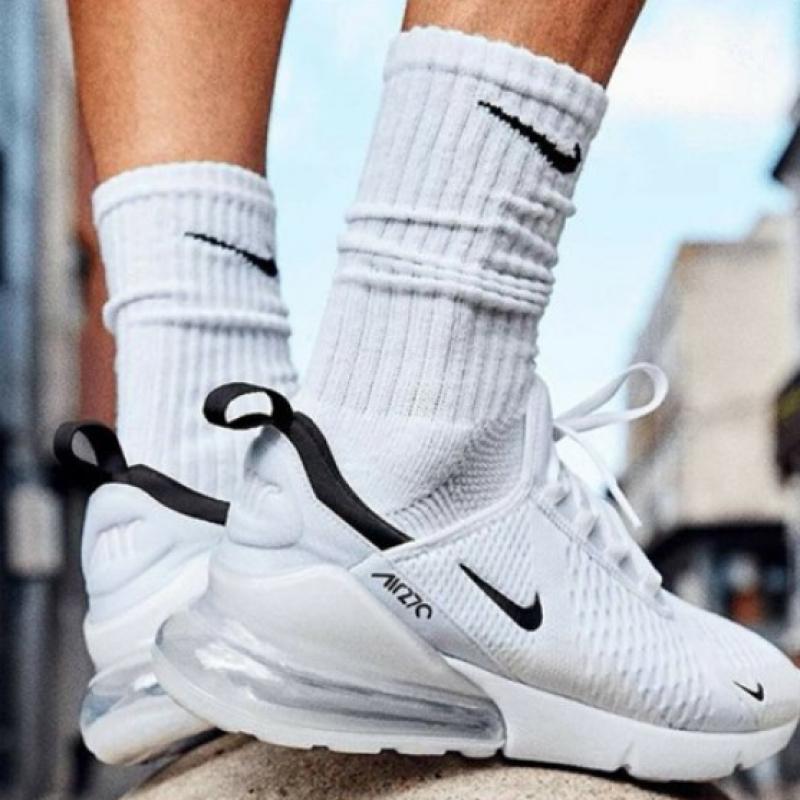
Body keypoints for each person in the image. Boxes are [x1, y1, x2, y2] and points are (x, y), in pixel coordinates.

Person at [58, 0, 800, 778]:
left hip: (195, 531)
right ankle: (428, 448)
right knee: (421, 405)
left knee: (202, 349)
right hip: (417, 511)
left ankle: (192, 476)